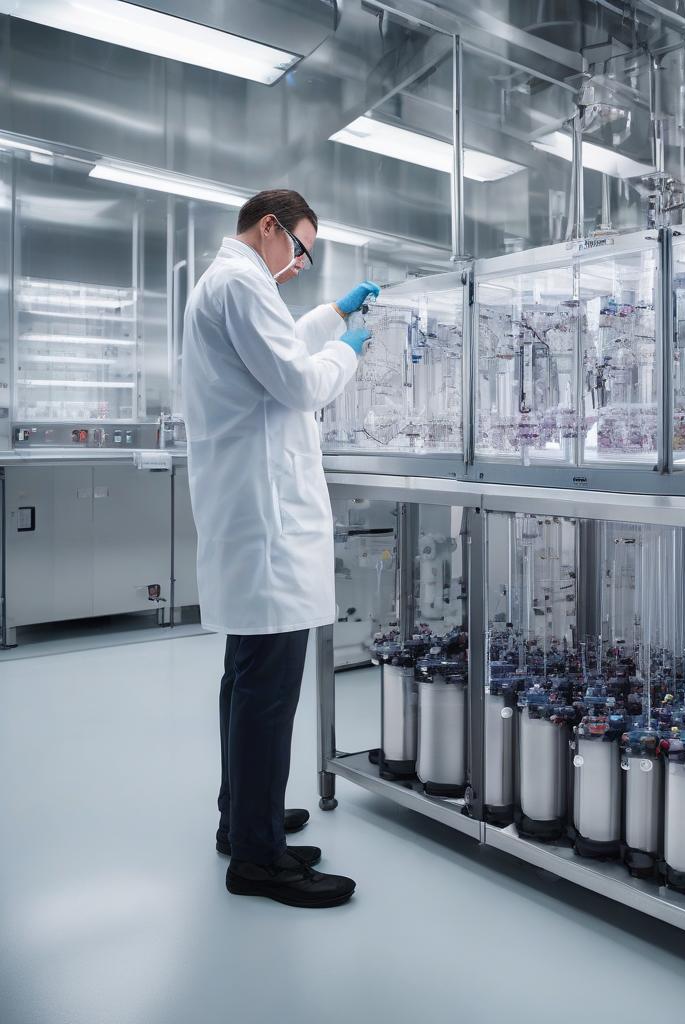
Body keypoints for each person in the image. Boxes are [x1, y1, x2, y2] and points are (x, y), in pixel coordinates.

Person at [181, 189, 379, 908]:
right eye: (300, 250)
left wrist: (332, 317)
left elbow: (277, 347)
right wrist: (347, 352)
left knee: (245, 679)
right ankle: (260, 859)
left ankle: (242, 820)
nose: (298, 266)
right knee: (267, 692)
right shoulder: (241, 283)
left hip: (250, 517)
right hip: (267, 523)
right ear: (269, 227)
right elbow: (297, 381)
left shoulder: (229, 283)